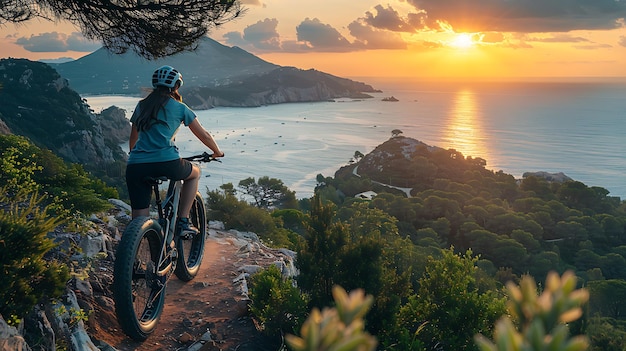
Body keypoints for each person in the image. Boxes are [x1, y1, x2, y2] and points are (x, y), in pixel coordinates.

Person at [126, 65, 224, 235]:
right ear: (176, 86)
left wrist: (138, 156)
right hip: (167, 162)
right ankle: (183, 221)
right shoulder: (180, 107)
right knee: (195, 173)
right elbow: (204, 135)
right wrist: (217, 152)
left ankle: (138, 250)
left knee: (139, 218)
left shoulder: (141, 106)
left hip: (136, 166)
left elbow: (133, 138)